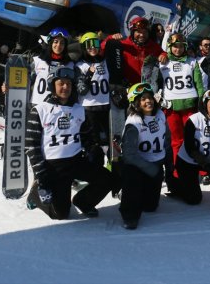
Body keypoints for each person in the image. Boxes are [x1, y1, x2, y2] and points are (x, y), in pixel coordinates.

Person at [25, 66, 113, 219]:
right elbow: (31, 145)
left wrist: (93, 150)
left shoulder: (79, 110)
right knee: (60, 214)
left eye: (69, 84)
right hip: (54, 166)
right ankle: (35, 194)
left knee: (107, 179)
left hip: (76, 160)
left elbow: (86, 137)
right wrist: (42, 174)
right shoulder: (41, 110)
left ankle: (83, 202)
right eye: (61, 83)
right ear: (53, 85)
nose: (65, 87)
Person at [118, 83, 172, 230]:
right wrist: (151, 169)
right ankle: (129, 215)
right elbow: (129, 155)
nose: (148, 101)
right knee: (132, 180)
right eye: (143, 99)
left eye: (150, 98)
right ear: (136, 103)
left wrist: (169, 167)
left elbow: (167, 141)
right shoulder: (134, 122)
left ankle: (139, 192)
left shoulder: (160, 115)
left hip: (155, 163)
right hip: (137, 166)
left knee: (150, 207)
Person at [173, 88, 210, 204]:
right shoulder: (194, 120)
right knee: (194, 199)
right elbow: (190, 147)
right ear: (205, 103)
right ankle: (175, 184)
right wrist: (203, 161)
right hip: (188, 161)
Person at [158, 33, 205, 168]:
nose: (178, 50)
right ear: (170, 47)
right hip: (171, 107)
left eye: (180, 47)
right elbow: (155, 81)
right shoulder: (163, 62)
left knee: (194, 137)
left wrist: (201, 101)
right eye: (175, 47)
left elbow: (199, 84)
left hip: (189, 105)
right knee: (176, 140)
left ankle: (199, 167)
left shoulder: (192, 61)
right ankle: (177, 167)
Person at [1, 27, 75, 107]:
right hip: (37, 105)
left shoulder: (69, 64)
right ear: (50, 43)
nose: (58, 45)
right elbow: (24, 80)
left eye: (62, 43)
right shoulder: (39, 61)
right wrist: (9, 86)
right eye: (55, 42)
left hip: (59, 108)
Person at [101, 16, 168, 90]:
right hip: (128, 88)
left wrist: (164, 55)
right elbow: (101, 50)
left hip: (146, 89)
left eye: (145, 32)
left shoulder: (152, 46)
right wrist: (110, 39)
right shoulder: (123, 44)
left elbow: (163, 52)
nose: (142, 35)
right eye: (138, 32)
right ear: (132, 32)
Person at [75, 32, 110, 168]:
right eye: (88, 45)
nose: (92, 48)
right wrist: (89, 74)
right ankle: (95, 170)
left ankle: (112, 169)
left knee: (110, 141)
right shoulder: (80, 65)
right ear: (83, 47)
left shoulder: (106, 61)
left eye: (95, 44)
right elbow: (81, 89)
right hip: (89, 108)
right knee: (94, 143)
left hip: (106, 106)